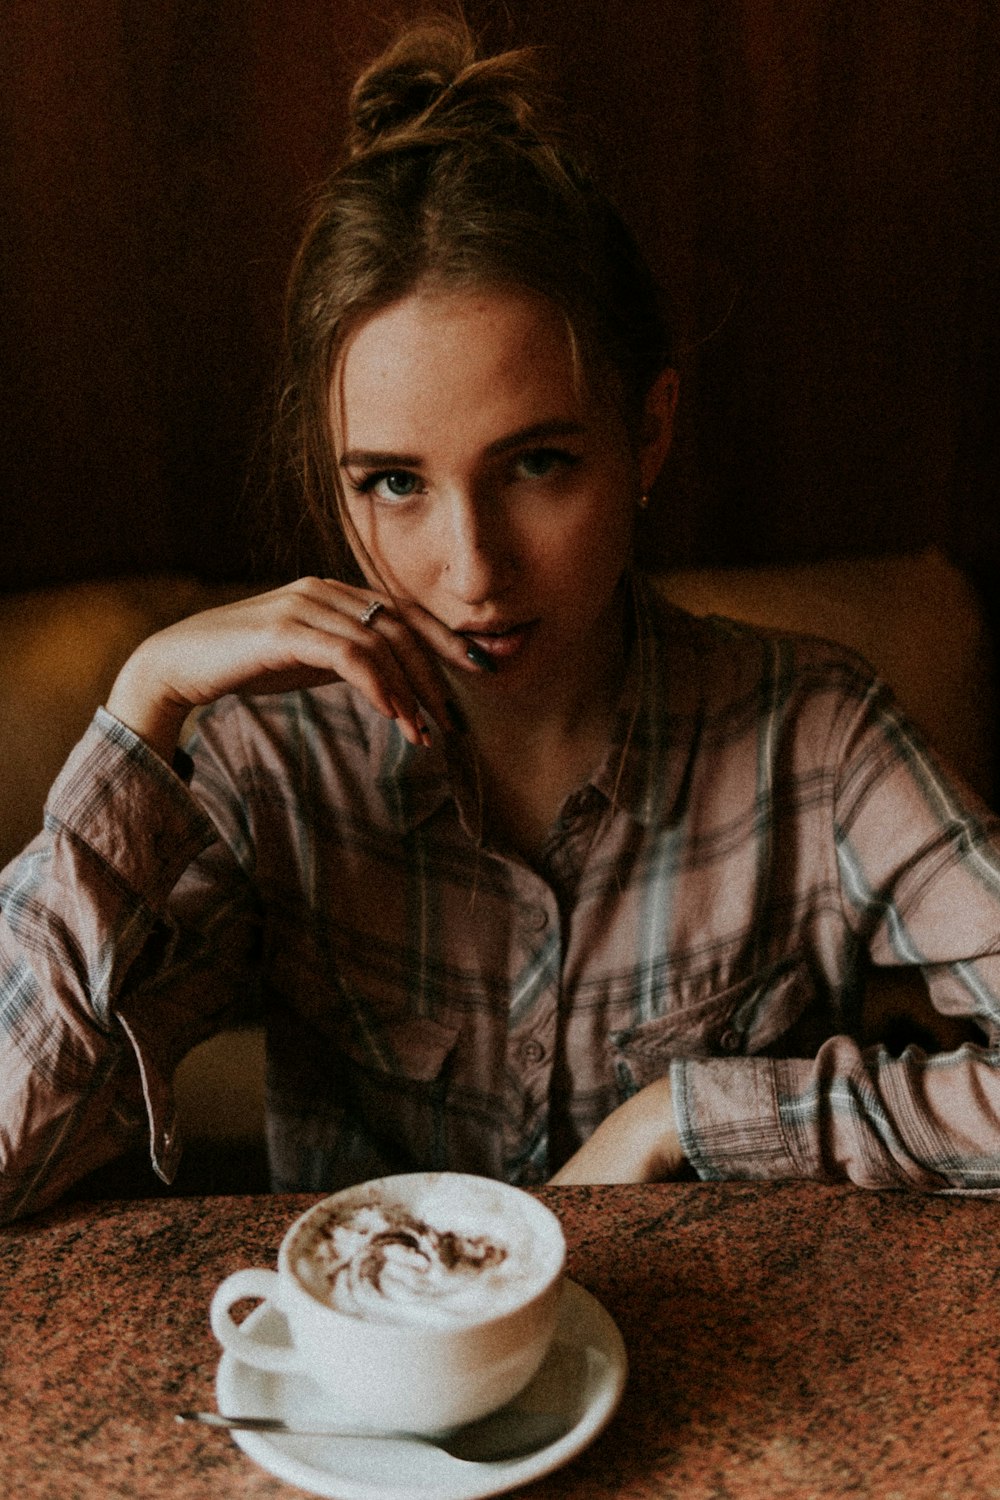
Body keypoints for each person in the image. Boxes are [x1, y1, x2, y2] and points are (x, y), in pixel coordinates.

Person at [3, 17, 1000, 1226]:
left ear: (649, 430)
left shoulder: (817, 739)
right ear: (333, 480)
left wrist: (686, 1119)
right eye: (393, 482)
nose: (471, 569)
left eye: (535, 465)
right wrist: (145, 699)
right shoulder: (268, 766)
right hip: (361, 1404)